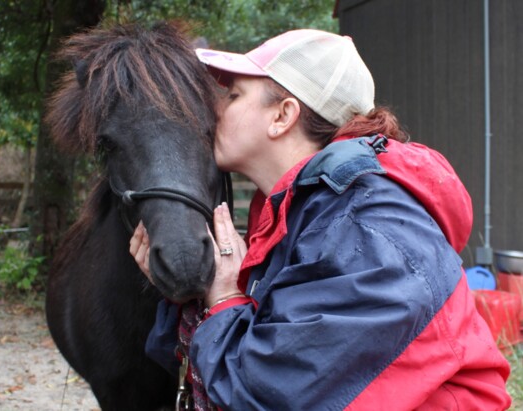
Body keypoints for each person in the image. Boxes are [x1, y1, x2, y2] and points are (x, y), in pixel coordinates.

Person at [130, 29, 511, 410]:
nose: (214, 111)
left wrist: (224, 296)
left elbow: (265, 396)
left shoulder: (365, 228)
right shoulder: (299, 211)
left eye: (233, 96)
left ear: (282, 116)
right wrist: (191, 292)